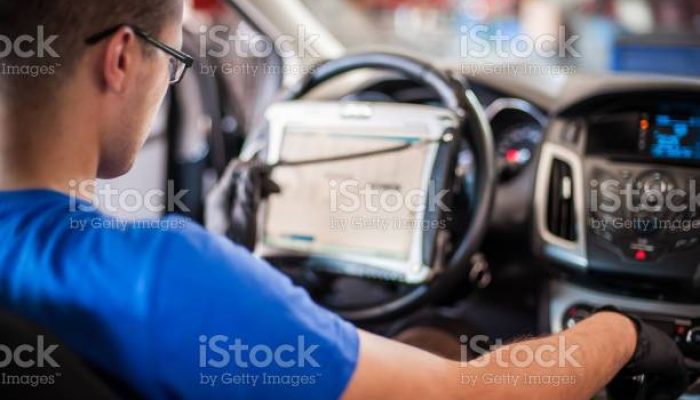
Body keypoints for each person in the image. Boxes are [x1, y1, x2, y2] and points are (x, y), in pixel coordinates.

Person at [0, 1, 689, 399]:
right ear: (121, 58)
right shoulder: (163, 277)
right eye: (171, 58)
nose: (167, 83)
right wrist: (622, 333)